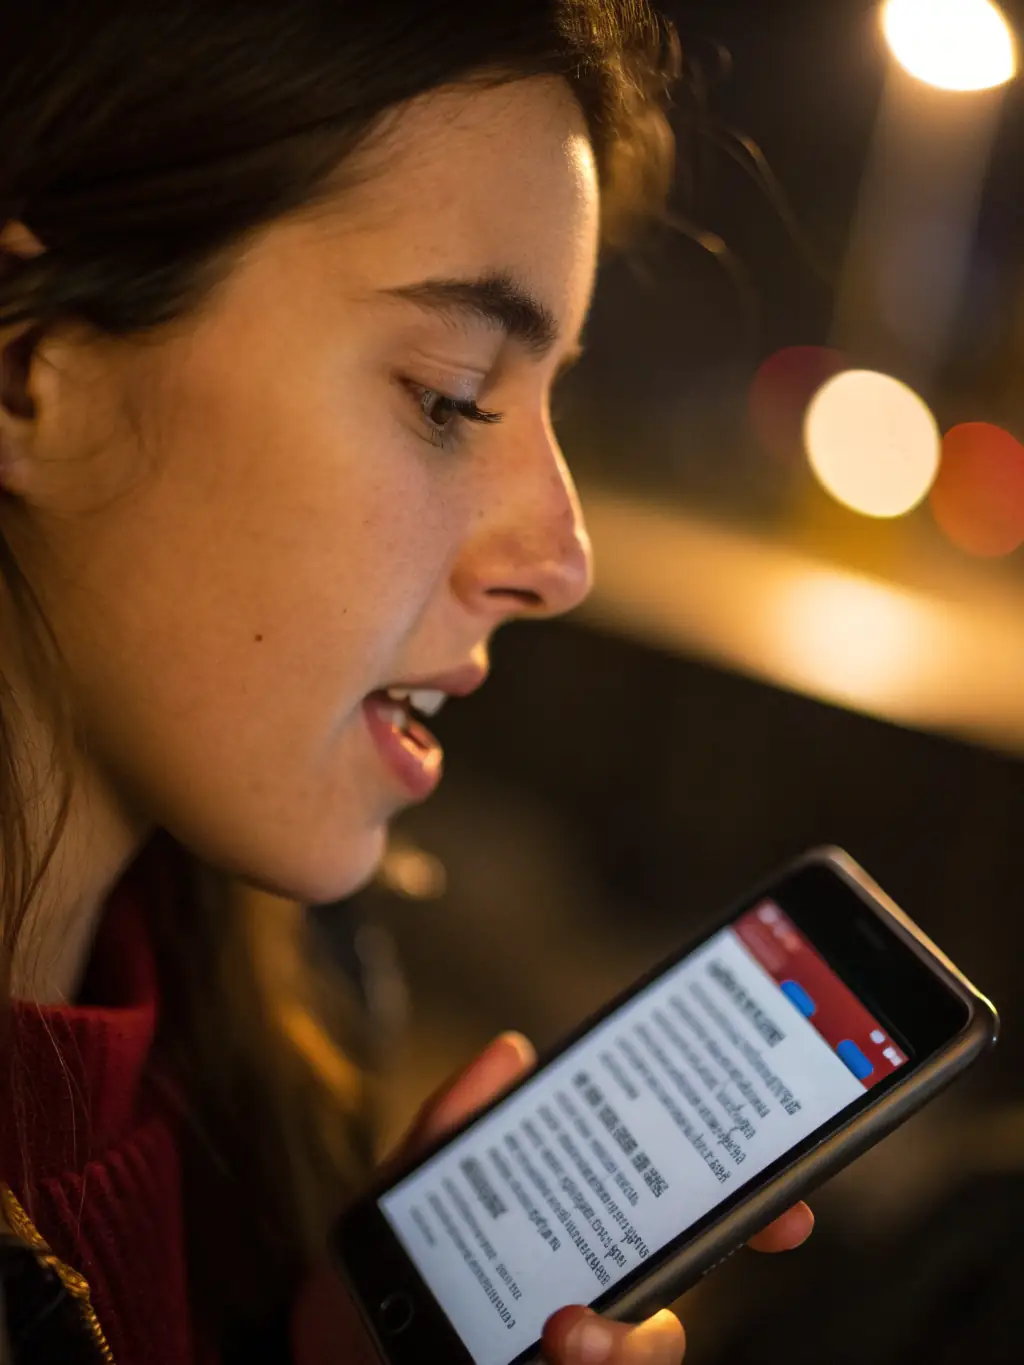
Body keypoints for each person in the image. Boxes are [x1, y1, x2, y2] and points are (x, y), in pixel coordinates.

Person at [0, 3, 814, 1362]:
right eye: (451, 395)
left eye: (553, 406)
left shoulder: (272, 1040)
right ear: (31, 369)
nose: (563, 562)